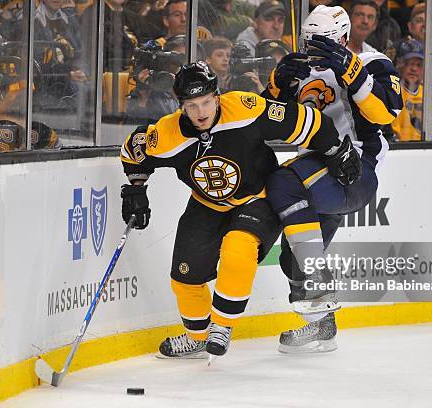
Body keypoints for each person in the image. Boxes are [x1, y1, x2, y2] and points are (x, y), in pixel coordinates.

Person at [120, 61, 349, 359]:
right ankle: (198, 337)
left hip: (259, 196)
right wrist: (135, 189)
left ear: (217, 96)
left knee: (238, 249)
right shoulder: (166, 135)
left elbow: (306, 121)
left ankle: (222, 325)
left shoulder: (245, 108)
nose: (201, 113)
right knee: (185, 277)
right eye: (192, 106)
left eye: (206, 102)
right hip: (206, 204)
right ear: (181, 106)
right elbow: (132, 151)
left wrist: (335, 150)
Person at [261, 5, 403, 353]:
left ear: (342, 38)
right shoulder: (301, 74)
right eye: (309, 41)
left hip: (356, 171)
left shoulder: (372, 63)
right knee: (291, 258)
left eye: (323, 42)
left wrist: (350, 71)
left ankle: (321, 288)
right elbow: (263, 126)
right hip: (320, 171)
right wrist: (277, 86)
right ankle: (322, 327)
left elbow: (389, 111)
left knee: (281, 183)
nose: (314, 48)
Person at [391, 38, 432, 141]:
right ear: (399, 64)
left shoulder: (429, 94)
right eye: (409, 63)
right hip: (408, 152)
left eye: (419, 65)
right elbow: (394, 137)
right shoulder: (394, 93)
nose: (414, 69)